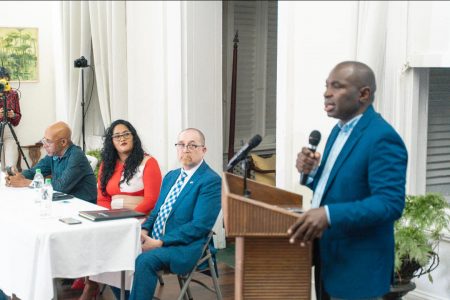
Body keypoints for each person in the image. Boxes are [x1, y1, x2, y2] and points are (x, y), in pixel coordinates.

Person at [288, 61, 408, 300]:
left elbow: (389, 203)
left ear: (363, 94)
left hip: (358, 269)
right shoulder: (338, 130)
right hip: (329, 259)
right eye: (326, 86)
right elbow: (338, 186)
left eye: (337, 86)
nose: (326, 93)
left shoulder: (382, 138)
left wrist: (328, 214)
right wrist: (312, 173)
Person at [129, 128, 222, 300]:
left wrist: (159, 242)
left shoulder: (210, 181)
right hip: (154, 239)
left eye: (192, 145)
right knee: (118, 251)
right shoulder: (171, 177)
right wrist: (144, 231)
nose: (186, 149)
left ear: (204, 150)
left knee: (144, 261)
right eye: (181, 144)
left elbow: (199, 226)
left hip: (183, 246)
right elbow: (157, 211)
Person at [80, 119, 162, 300]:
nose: (122, 138)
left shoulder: (148, 162)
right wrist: (108, 216)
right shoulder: (107, 165)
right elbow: (102, 197)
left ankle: (129, 292)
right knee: (97, 242)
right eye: (116, 136)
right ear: (111, 141)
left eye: (126, 134)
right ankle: (116, 292)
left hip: (141, 217)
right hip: (113, 217)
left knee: (114, 244)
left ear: (133, 137)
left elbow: (152, 199)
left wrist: (126, 216)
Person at [5, 121, 97, 203]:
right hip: (64, 201)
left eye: (48, 141)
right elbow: (34, 172)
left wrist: (25, 182)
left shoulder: (76, 156)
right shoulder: (54, 154)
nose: (44, 146)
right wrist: (18, 177)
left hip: (83, 205)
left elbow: (60, 187)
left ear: (63, 142)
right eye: (44, 140)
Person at [0, 66, 21, 171]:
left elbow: (18, 117)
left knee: (11, 168)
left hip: (9, 131)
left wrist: (13, 115)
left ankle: (12, 183)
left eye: (5, 78)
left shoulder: (13, 94)